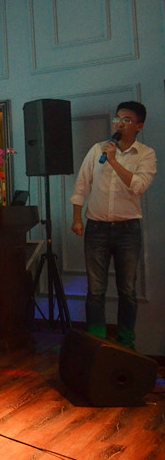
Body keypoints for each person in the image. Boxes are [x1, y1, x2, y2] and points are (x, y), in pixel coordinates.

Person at [70, 101, 156, 350]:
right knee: (95, 290)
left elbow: (138, 186)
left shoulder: (145, 154)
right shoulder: (97, 149)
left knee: (127, 290)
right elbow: (81, 185)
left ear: (139, 126)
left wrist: (114, 161)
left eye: (127, 120)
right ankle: (96, 342)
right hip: (96, 228)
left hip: (128, 230)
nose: (119, 124)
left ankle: (126, 344)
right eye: (118, 118)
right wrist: (77, 218)